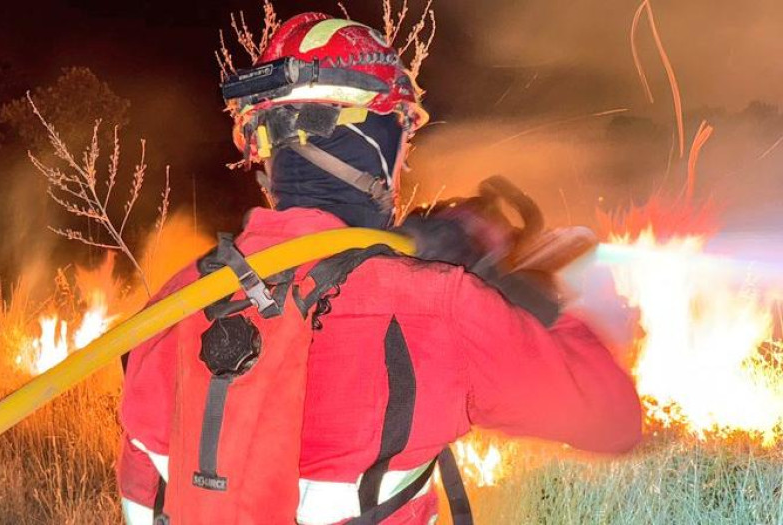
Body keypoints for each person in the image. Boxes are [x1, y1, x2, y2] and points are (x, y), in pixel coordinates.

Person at [118, 12, 642, 525]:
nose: (403, 162)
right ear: (376, 140)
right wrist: (524, 298)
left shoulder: (171, 306)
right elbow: (614, 418)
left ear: (262, 141)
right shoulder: (440, 306)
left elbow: (143, 491)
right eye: (402, 141)